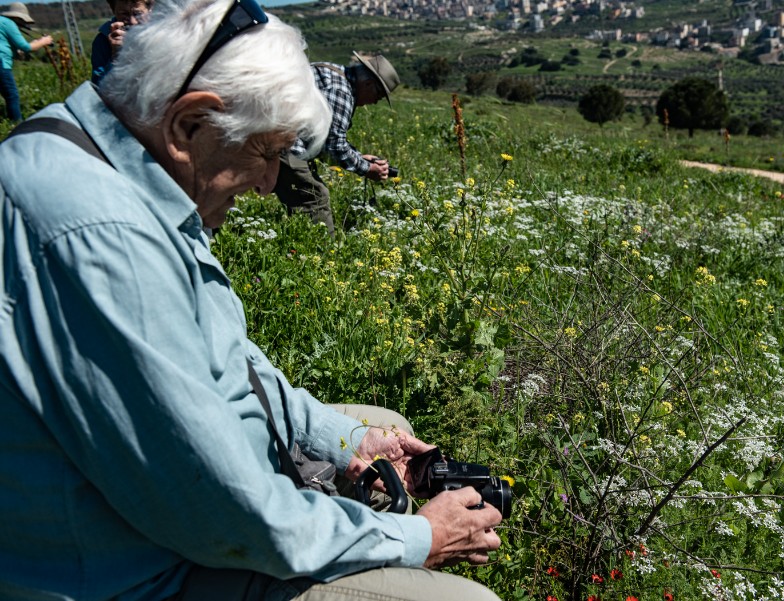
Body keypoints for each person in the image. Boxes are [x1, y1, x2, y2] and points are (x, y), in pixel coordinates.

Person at [0, 0, 502, 599]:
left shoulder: (110, 162)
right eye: (266, 154)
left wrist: (346, 443)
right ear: (189, 124)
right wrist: (417, 537)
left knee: (382, 428)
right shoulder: (104, 237)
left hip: (156, 522)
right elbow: (221, 512)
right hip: (139, 572)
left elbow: (230, 357)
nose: (269, 185)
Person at [274, 52, 400, 236]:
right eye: (378, 96)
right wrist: (367, 168)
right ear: (368, 84)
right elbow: (334, 145)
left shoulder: (330, 70)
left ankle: (300, 240)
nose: (374, 103)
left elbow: (323, 138)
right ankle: (320, 253)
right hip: (283, 140)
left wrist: (359, 157)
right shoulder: (342, 91)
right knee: (315, 196)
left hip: (270, 130)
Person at [0, 2, 52, 121]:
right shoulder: (9, 23)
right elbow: (26, 47)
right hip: (1, 62)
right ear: (18, 17)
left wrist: (32, 45)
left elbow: (12, 48)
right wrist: (44, 41)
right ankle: (16, 124)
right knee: (12, 95)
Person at [91, 0, 153, 84]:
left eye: (138, 14)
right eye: (124, 14)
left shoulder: (163, 36)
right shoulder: (103, 42)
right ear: (114, 11)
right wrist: (116, 56)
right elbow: (98, 86)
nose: (132, 21)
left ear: (150, 10)